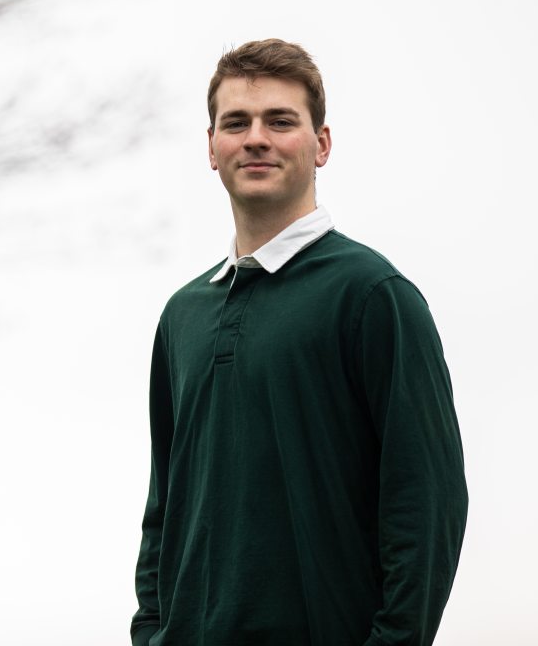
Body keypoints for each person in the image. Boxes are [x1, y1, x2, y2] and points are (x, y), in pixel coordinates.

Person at [131, 39, 468, 646]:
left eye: (281, 121)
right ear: (212, 147)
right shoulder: (182, 316)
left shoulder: (372, 295)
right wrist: (152, 631)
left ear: (322, 144)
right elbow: (165, 504)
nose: (256, 137)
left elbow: (427, 503)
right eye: (236, 123)